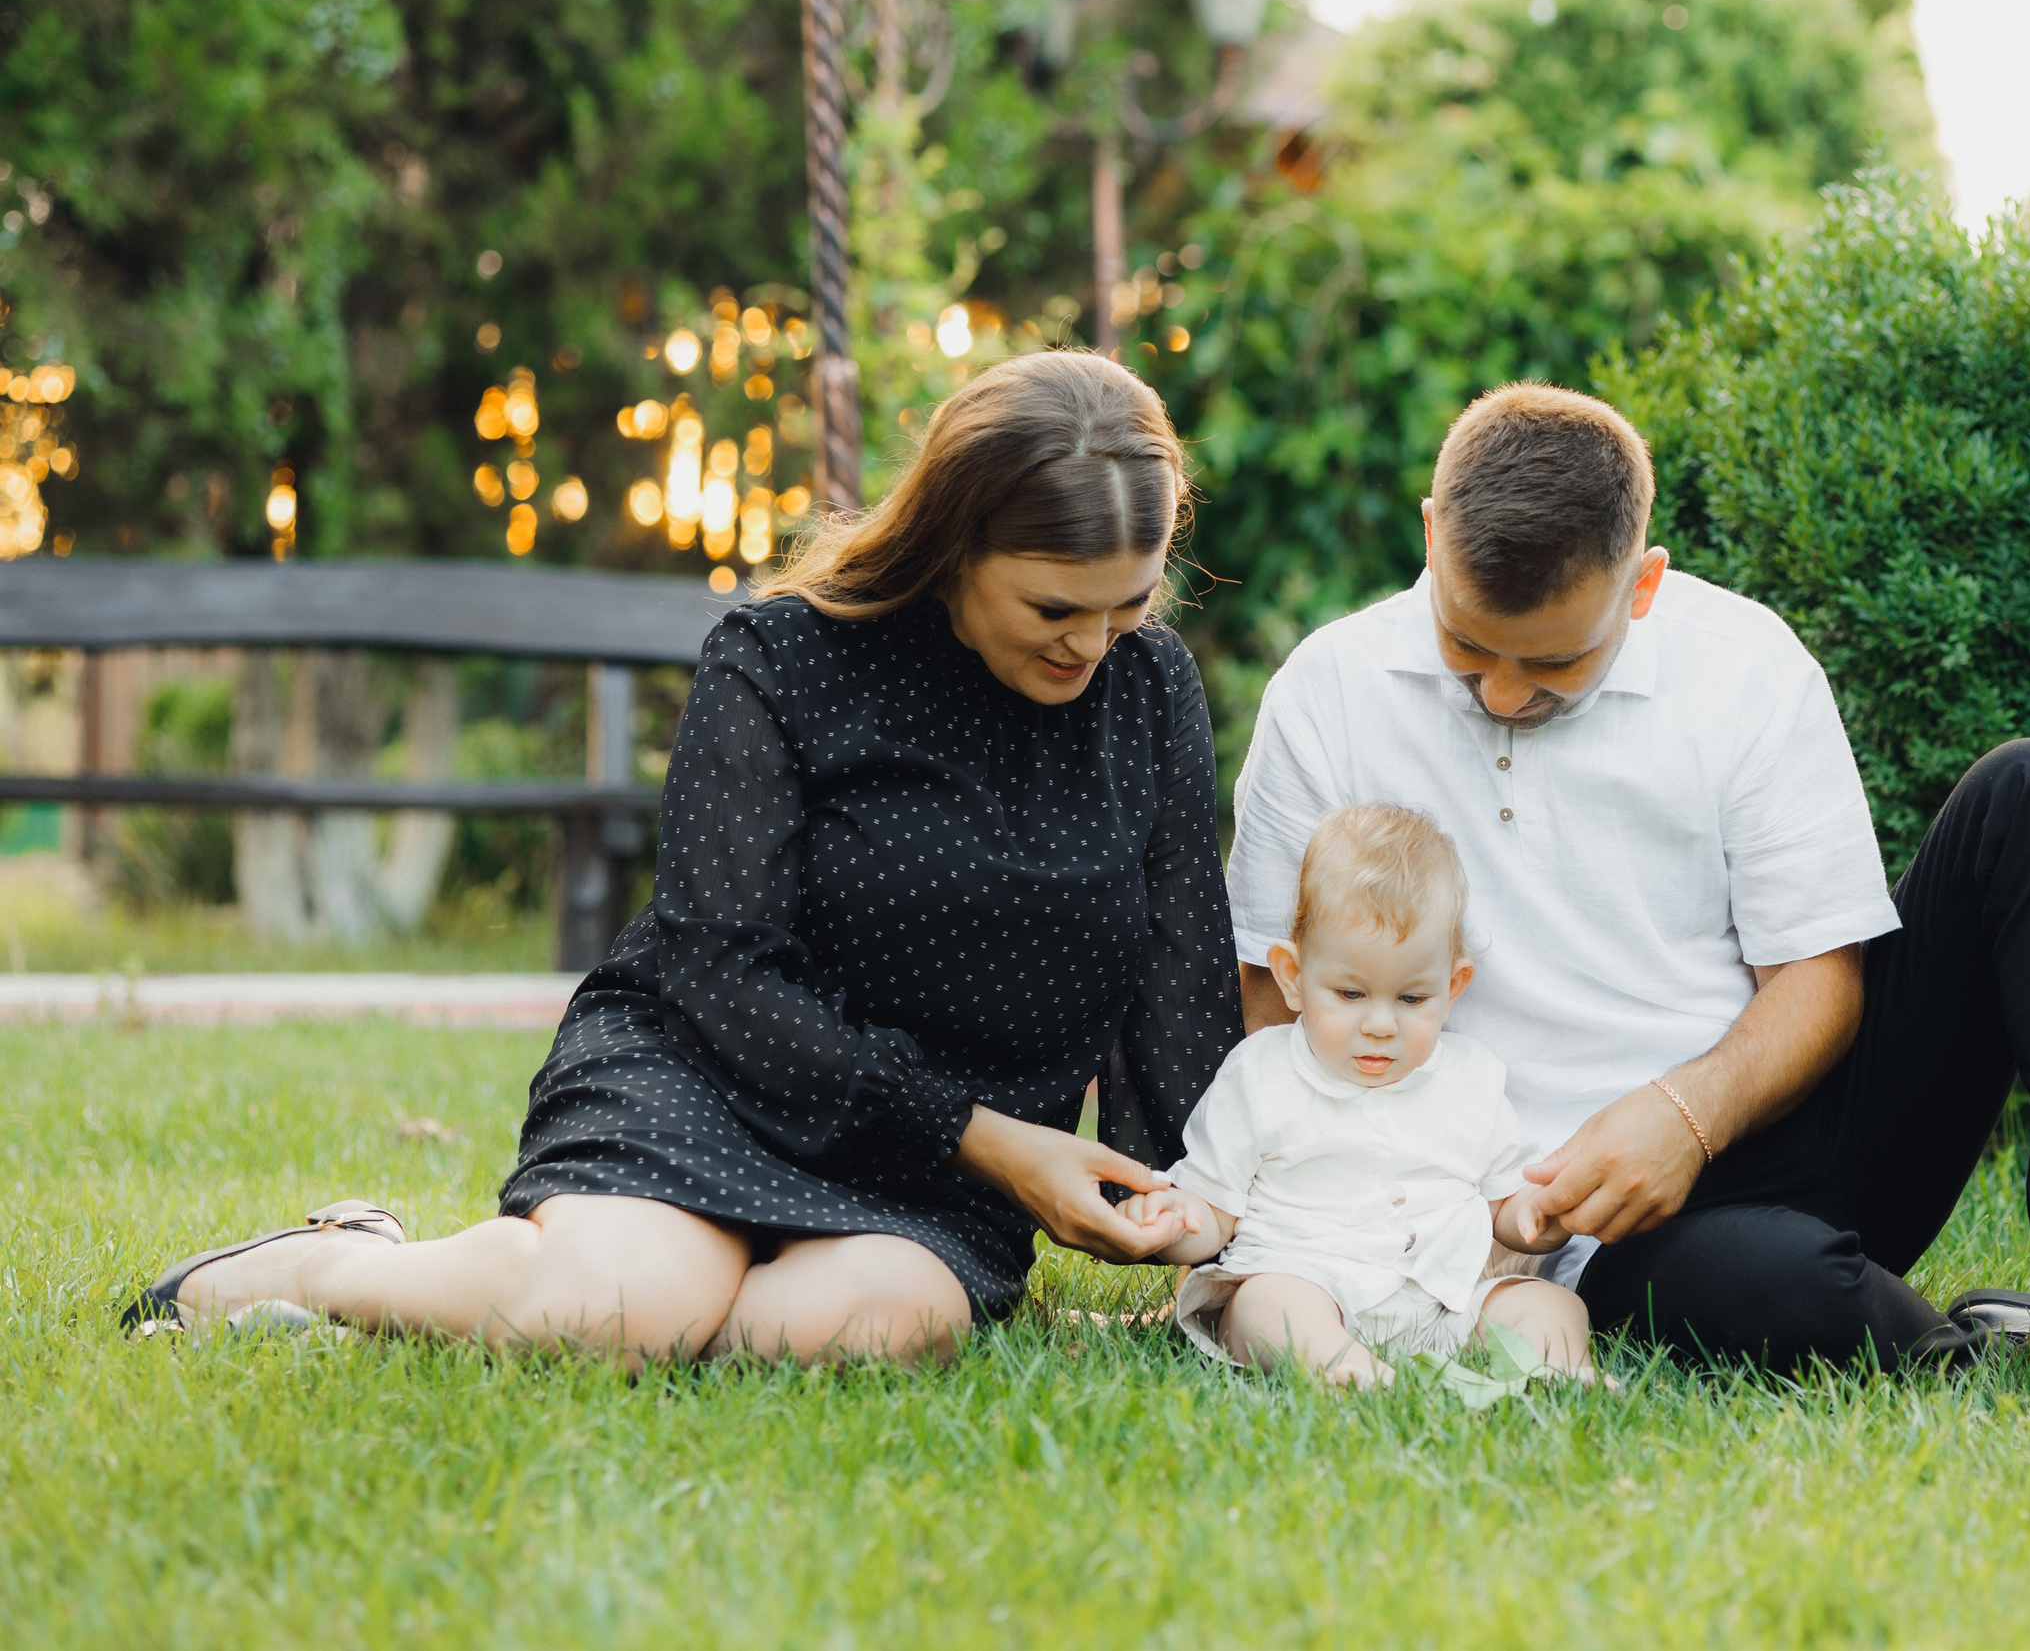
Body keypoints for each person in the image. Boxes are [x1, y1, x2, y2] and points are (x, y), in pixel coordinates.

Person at [122, 351, 1243, 1368]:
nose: (1092, 646)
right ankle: (333, 1260)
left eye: (1128, 604)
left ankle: (629, 1288)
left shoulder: (1149, 690)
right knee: (614, 1314)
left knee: (858, 1332)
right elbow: (723, 968)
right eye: (1054, 606)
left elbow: (1180, 973)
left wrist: (1194, 1207)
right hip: (715, 1079)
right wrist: (991, 1139)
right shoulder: (783, 656)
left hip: (935, 1181)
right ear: (956, 547)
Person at [1223, 382, 2030, 1426]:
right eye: (1466, 645)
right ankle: (1979, 1338)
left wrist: (1684, 1117)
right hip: (1531, 1230)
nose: (1501, 690)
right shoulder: (1326, 694)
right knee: (1791, 1296)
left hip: (1766, 1134)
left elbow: (1819, 980)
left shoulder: (1745, 667)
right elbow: (1276, 1001)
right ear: (1432, 535)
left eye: (1553, 661)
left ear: (1641, 584)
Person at [1128, 804, 1594, 1388]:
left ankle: (1559, 1372)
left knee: (1550, 1304)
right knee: (1264, 1307)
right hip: (1305, 1281)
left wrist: (1543, 1214)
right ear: (1293, 977)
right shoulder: (1262, 1075)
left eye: (1411, 999)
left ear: (1452, 988)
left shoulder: (1472, 1081)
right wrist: (1172, 1219)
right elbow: (1215, 1210)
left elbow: (1507, 1206)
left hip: (1438, 1302)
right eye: (1350, 993)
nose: (1379, 1024)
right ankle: (1345, 1369)